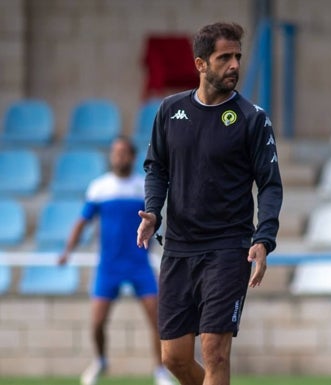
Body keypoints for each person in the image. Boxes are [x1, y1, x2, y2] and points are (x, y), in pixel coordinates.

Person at [136, 22, 283, 385]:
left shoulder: (253, 119)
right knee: (173, 358)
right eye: (224, 58)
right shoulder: (170, 111)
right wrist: (153, 211)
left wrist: (263, 239)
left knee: (214, 351)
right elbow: (156, 168)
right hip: (179, 249)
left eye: (237, 56)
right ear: (201, 63)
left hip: (228, 249)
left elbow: (270, 185)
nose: (234, 64)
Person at [58, 137, 174, 385]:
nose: (118, 157)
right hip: (108, 266)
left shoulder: (142, 187)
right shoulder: (99, 188)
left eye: (123, 153)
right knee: (97, 322)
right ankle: (100, 360)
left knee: (156, 319)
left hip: (139, 265)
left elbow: (155, 219)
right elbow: (82, 221)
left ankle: (159, 371)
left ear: (132, 157)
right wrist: (68, 250)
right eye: (115, 152)